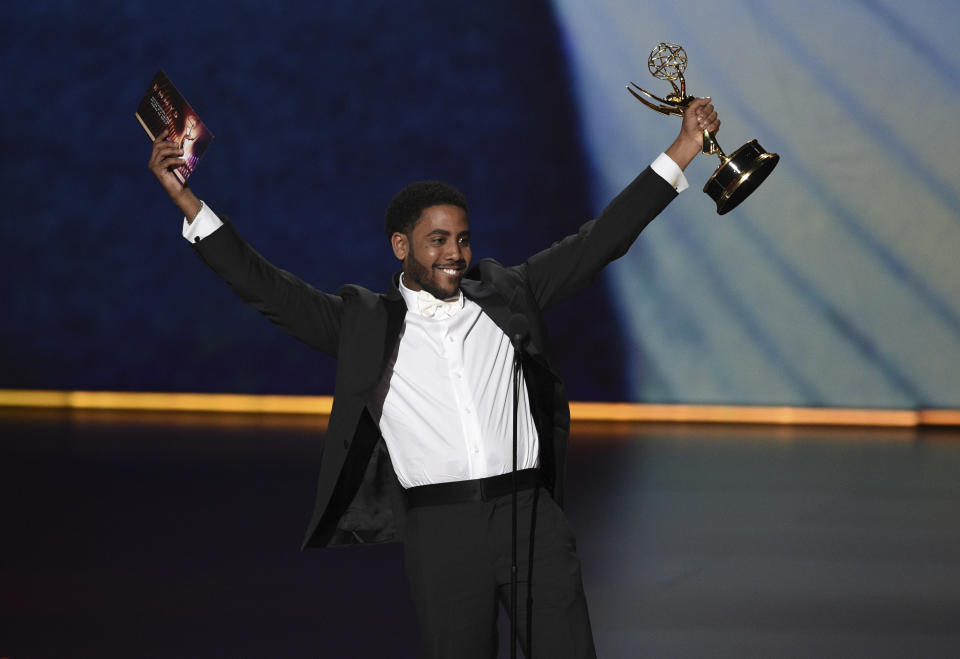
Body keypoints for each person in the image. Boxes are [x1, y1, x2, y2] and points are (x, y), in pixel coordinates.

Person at [148, 97, 720, 659]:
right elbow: (263, 286)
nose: (456, 253)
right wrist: (187, 201)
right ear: (402, 247)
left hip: (530, 518)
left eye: (463, 239)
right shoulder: (364, 324)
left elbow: (600, 241)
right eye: (438, 240)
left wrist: (684, 148)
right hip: (442, 532)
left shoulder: (508, 294)